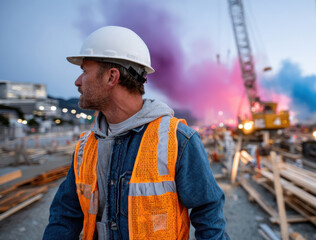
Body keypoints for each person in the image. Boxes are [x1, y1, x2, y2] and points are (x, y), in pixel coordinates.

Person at [43, 26, 229, 240]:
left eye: (85, 71)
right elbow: (65, 214)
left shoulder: (177, 140)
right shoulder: (86, 147)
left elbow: (208, 213)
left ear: (111, 77)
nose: (78, 81)